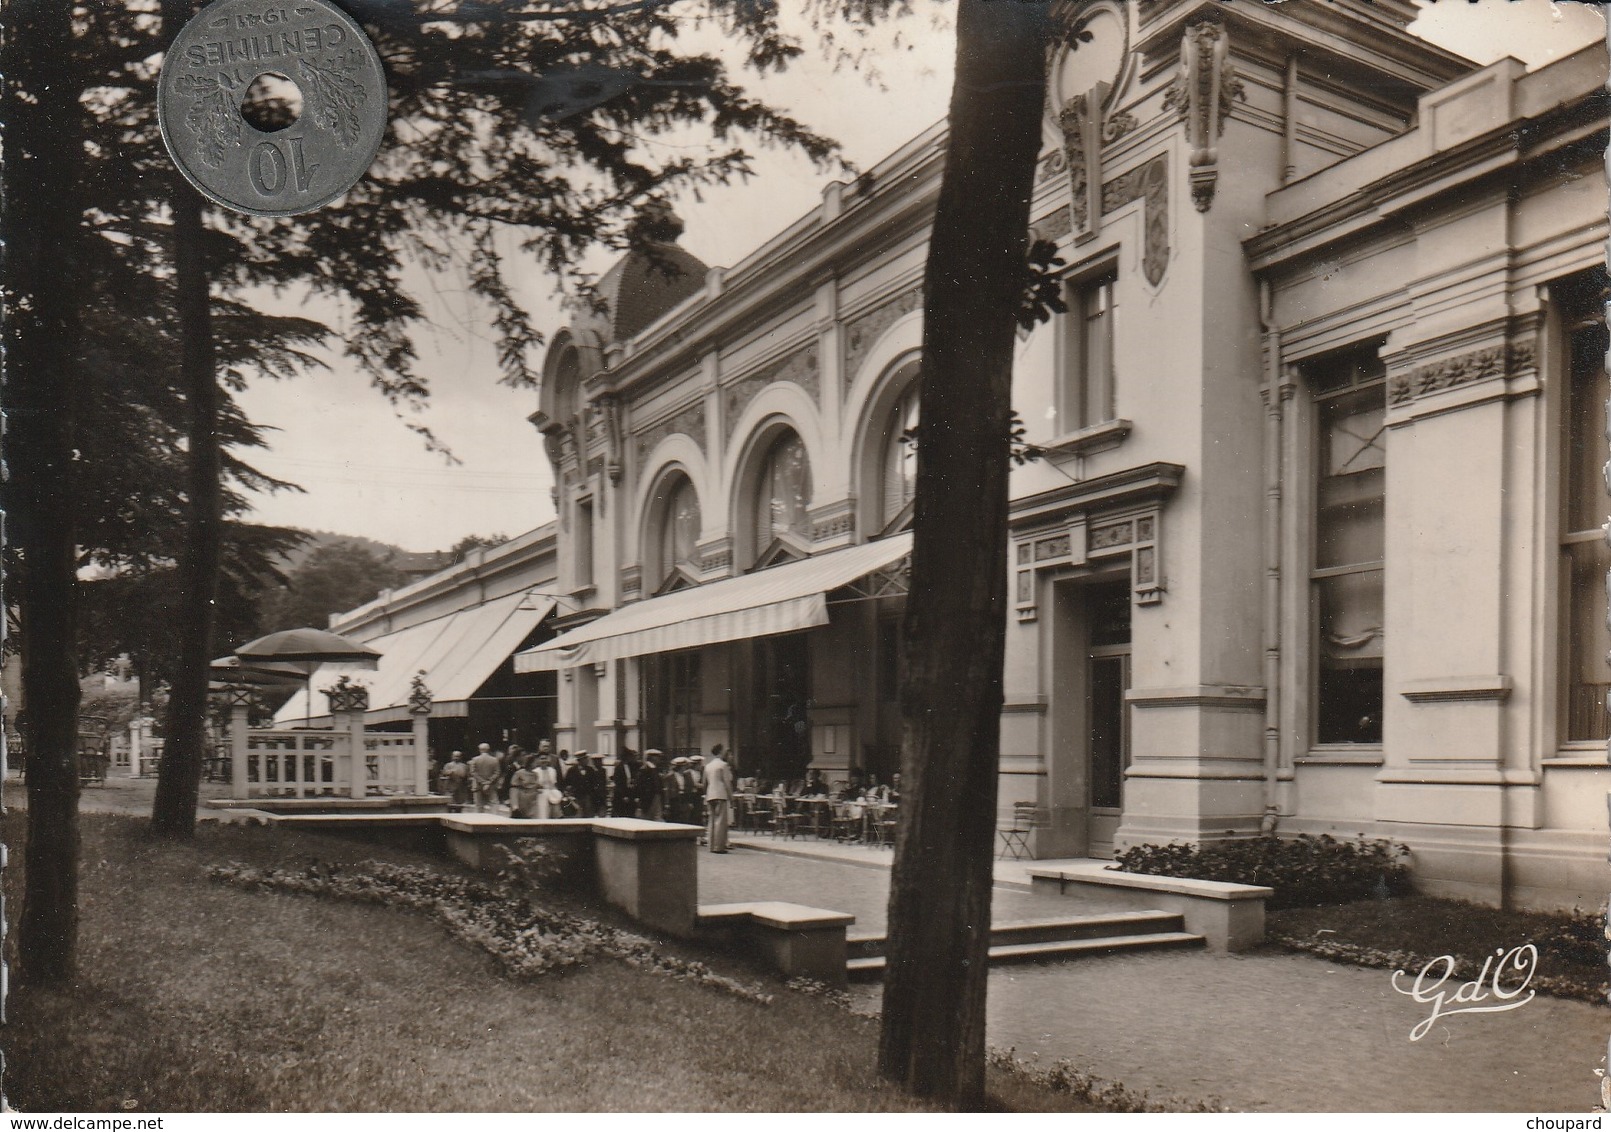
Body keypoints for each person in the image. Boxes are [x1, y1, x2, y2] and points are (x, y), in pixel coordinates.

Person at [704, 742, 734, 853]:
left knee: (711, 821)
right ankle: (719, 847)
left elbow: (704, 783)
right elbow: (727, 783)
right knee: (721, 822)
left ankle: (711, 845)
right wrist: (731, 798)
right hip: (720, 794)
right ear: (720, 751)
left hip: (710, 794)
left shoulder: (708, 766)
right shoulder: (723, 765)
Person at [564, 749, 604, 818]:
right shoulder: (571, 770)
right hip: (576, 798)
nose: (587, 760)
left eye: (587, 758)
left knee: (589, 815)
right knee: (578, 816)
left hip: (588, 798)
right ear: (580, 760)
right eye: (585, 759)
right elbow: (566, 784)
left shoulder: (590, 770)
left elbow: (594, 783)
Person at [469, 743, 502, 813]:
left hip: (477, 785)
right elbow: (497, 772)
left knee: (479, 805)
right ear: (488, 750)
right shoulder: (495, 760)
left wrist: (482, 782)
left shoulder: (475, 759)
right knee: (494, 803)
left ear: (480, 750)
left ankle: (479, 821)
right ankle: (494, 820)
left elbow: (473, 772)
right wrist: (488, 782)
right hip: (491, 785)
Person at [637, 749, 666, 820]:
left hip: (656, 796)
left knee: (657, 816)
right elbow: (641, 785)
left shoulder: (655, 769)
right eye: (657, 757)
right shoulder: (645, 769)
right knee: (648, 817)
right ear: (652, 758)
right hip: (649, 797)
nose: (659, 759)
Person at [509, 754, 541, 819]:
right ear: (530, 763)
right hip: (522, 800)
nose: (537, 763)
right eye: (535, 762)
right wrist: (515, 806)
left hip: (532, 801)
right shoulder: (519, 773)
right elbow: (514, 789)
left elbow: (535, 785)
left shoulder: (535, 774)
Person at [611, 748, 641, 818]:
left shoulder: (632, 766)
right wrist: (623, 796)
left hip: (630, 795)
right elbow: (618, 783)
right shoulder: (619, 767)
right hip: (621, 796)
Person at [532, 750, 561, 819]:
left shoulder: (552, 770)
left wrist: (557, 794)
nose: (544, 761)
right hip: (540, 795)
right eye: (542, 759)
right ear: (538, 760)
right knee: (543, 815)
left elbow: (554, 784)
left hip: (552, 794)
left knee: (555, 814)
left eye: (545, 758)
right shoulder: (535, 772)